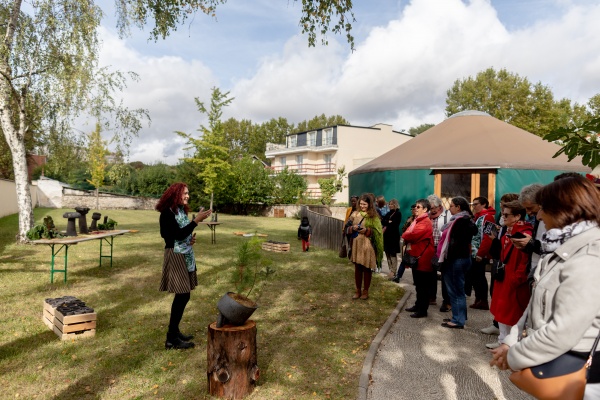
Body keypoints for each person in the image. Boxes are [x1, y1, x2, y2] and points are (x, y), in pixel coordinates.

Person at [490, 177, 600, 399]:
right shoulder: (560, 249)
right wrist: (511, 340)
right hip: (548, 361)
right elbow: (533, 305)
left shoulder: (589, 256)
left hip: (575, 374)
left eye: (542, 210)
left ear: (565, 210)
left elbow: (564, 331)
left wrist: (514, 355)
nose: (538, 217)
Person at [156, 182, 212, 350]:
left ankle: (174, 332)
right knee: (182, 295)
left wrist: (190, 239)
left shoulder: (179, 211)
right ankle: (171, 339)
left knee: (184, 295)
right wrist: (195, 221)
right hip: (175, 256)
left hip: (185, 254)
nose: (187, 196)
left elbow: (182, 233)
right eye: (184, 193)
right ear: (175, 195)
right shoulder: (166, 213)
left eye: (188, 193)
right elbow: (173, 236)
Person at [487, 200, 532, 349]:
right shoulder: (509, 231)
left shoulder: (523, 233)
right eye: (503, 214)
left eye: (506, 215)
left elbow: (524, 261)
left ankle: (511, 344)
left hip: (513, 279)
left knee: (512, 312)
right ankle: (502, 340)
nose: (503, 217)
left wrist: (516, 279)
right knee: (502, 310)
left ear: (518, 216)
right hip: (505, 276)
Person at [437, 196, 477, 329]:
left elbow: (455, 243)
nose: (449, 208)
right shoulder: (465, 220)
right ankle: (458, 316)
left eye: (452, 206)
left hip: (456, 260)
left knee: (455, 290)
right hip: (460, 258)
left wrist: (447, 260)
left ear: (459, 207)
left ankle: (458, 320)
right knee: (456, 290)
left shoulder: (461, 221)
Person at [346, 194, 383, 300]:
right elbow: (346, 228)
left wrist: (367, 231)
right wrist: (352, 228)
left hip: (368, 245)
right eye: (361, 204)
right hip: (356, 244)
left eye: (364, 204)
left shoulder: (374, 216)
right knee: (357, 268)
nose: (362, 206)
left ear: (369, 204)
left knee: (366, 268)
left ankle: (365, 291)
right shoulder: (355, 214)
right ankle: (358, 290)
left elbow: (378, 232)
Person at [402, 199, 435, 318]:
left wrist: (406, 235)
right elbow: (406, 232)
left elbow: (411, 235)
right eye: (415, 206)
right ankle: (418, 305)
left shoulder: (424, 222)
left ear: (425, 209)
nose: (415, 208)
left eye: (419, 207)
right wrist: (406, 234)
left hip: (423, 257)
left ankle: (422, 310)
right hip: (417, 256)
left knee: (423, 286)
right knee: (418, 284)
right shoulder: (417, 221)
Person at [468, 196, 496, 310]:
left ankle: (483, 301)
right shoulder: (476, 217)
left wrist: (481, 253)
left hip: (480, 253)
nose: (474, 207)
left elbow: (488, 237)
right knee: (474, 277)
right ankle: (478, 299)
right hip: (473, 252)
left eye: (476, 204)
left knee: (479, 277)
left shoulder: (488, 217)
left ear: (484, 204)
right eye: (473, 204)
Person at [427, 194, 451, 312]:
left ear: (439, 206)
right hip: (431, 247)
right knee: (431, 273)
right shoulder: (427, 215)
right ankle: (431, 297)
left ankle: (447, 301)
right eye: (430, 208)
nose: (431, 210)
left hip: (443, 248)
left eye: (433, 208)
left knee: (445, 275)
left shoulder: (447, 215)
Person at [392, 204, 418, 282]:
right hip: (407, 243)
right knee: (405, 260)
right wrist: (407, 222)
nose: (413, 211)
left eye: (414, 209)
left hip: (415, 243)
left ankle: (416, 280)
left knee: (414, 261)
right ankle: (398, 276)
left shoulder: (419, 219)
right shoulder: (409, 218)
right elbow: (403, 229)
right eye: (412, 209)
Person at [382, 199, 402, 279]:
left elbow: (394, 224)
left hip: (393, 237)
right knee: (387, 253)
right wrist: (388, 221)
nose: (390, 205)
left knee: (392, 254)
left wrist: (389, 222)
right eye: (389, 204)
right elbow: (383, 221)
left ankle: (393, 271)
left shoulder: (398, 213)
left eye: (392, 204)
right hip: (386, 236)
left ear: (395, 205)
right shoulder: (388, 213)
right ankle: (390, 270)